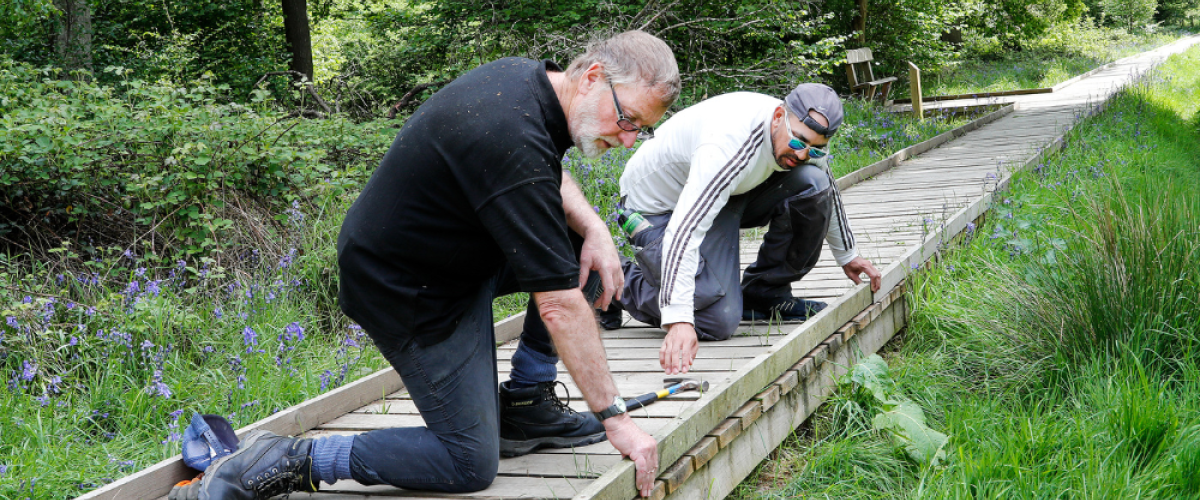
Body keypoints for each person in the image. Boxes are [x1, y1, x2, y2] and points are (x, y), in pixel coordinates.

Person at [169, 31, 679, 500]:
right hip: (407, 290)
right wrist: (614, 417)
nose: (630, 137)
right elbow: (560, 307)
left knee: (580, 251)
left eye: (642, 129)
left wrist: (594, 230)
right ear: (592, 76)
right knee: (468, 462)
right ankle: (285, 458)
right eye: (628, 119)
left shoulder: (528, 84)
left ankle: (527, 404)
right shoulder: (508, 132)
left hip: (453, 260)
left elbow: (544, 168)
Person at [599, 84, 882, 375]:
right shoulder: (726, 146)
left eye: (814, 148)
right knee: (715, 319)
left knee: (812, 185)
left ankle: (765, 294)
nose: (801, 154)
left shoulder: (801, 136)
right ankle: (609, 280)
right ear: (777, 117)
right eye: (797, 143)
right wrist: (679, 319)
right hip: (657, 212)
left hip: (724, 196)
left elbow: (825, 184)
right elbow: (684, 230)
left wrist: (848, 254)